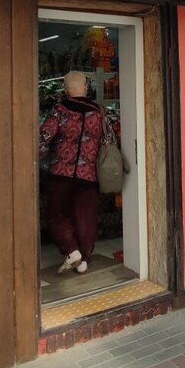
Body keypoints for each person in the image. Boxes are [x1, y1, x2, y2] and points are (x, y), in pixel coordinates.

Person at [39, 71, 116, 273]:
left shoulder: (59, 110)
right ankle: (83, 260)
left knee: (57, 214)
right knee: (86, 218)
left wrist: (40, 156)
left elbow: (44, 136)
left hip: (61, 173)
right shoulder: (99, 113)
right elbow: (109, 141)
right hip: (88, 175)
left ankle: (72, 250)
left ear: (66, 90)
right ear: (85, 88)